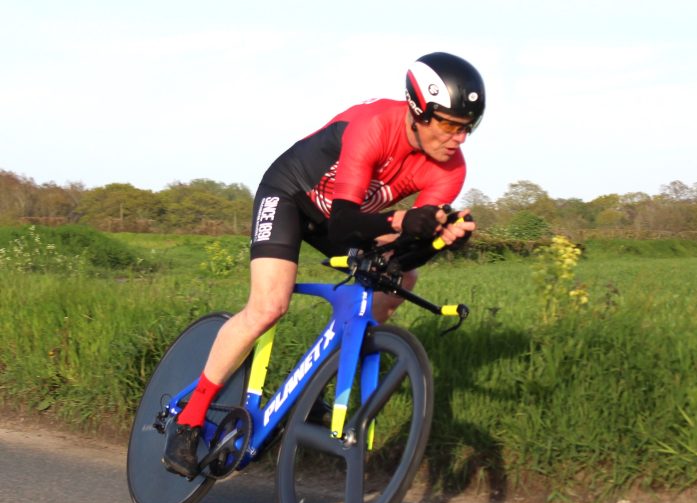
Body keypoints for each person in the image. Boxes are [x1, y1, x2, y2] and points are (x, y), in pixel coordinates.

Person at [162, 51, 485, 478]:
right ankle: (190, 418)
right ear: (418, 110)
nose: (458, 138)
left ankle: (314, 387)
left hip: (344, 219)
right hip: (291, 196)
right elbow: (345, 225)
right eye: (448, 124)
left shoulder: (450, 170)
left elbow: (404, 251)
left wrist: (440, 241)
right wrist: (403, 221)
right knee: (269, 305)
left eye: (467, 128)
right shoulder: (373, 126)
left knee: (401, 278)